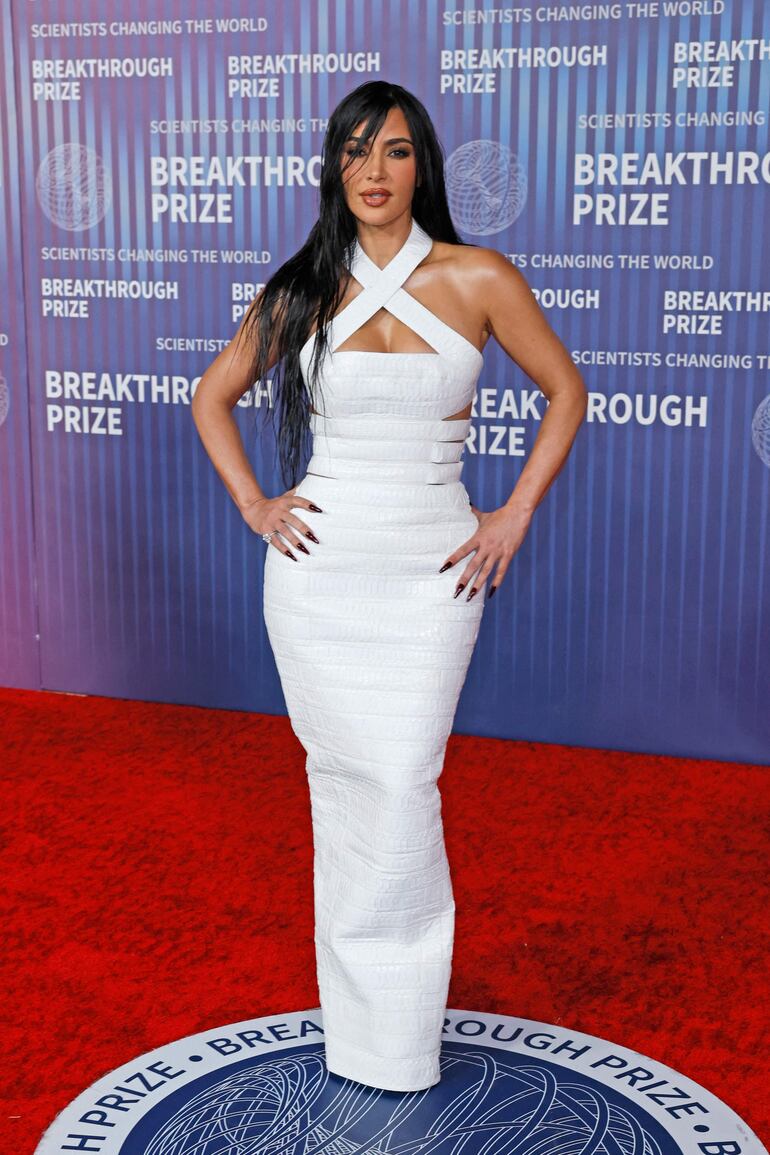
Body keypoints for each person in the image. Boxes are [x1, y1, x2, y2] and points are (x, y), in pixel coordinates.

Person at [191, 80, 587, 1093]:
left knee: (403, 780)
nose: (374, 172)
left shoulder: (477, 275)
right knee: (345, 785)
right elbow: (213, 395)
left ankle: (402, 1035)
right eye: (356, 151)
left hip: (429, 570)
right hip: (318, 574)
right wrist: (254, 506)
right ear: (333, 166)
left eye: (396, 151)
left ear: (423, 166)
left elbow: (564, 389)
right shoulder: (300, 287)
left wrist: (514, 511)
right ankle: (363, 1039)